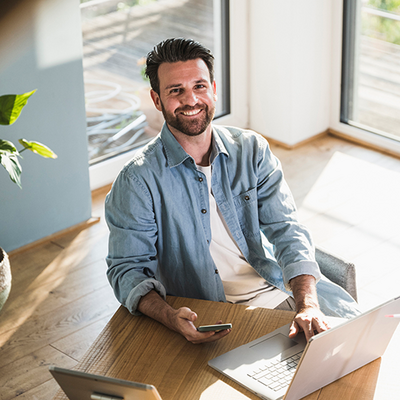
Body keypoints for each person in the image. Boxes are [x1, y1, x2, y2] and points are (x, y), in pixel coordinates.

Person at [105, 38, 359, 345]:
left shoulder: (252, 150)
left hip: (280, 291)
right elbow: (128, 270)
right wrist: (170, 317)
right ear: (157, 99)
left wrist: (308, 303)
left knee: (357, 356)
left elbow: (286, 229)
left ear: (213, 88)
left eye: (199, 86)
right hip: (212, 318)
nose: (191, 100)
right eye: (176, 91)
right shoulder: (137, 180)